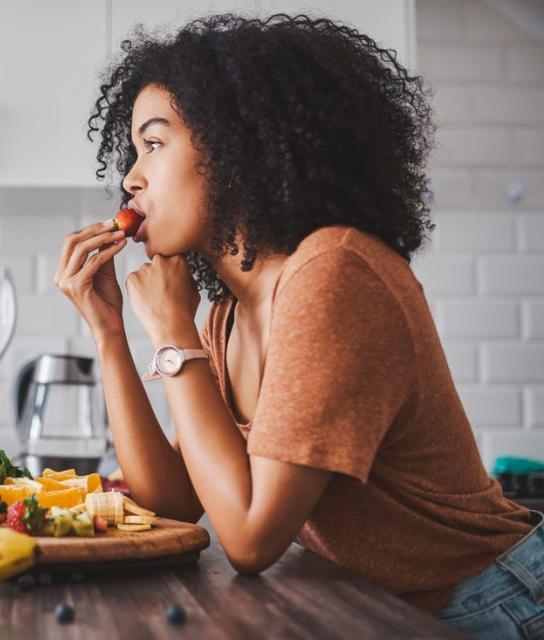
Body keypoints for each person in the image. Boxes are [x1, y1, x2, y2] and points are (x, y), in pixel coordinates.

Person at [55, 14, 542, 638]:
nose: (130, 177)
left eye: (153, 144)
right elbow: (172, 503)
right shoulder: (229, 314)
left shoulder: (332, 274)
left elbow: (251, 539)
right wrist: (110, 335)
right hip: (383, 609)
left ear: (236, 147)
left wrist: (174, 334)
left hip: (498, 607)